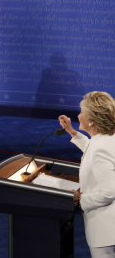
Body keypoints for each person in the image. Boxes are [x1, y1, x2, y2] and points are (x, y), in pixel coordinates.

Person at [59, 91, 115, 258]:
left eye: (82, 112)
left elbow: (109, 191)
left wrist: (79, 200)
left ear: (91, 121)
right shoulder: (108, 138)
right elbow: (92, 148)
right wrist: (71, 131)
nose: (78, 115)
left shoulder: (100, 149)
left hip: (106, 231)